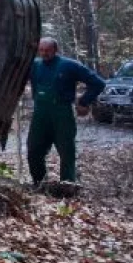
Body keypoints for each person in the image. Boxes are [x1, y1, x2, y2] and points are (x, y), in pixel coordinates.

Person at [27, 37, 105, 186]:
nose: (44, 54)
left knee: (66, 152)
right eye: (41, 50)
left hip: (62, 114)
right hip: (39, 114)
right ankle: (40, 184)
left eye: (47, 50)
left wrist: (84, 101)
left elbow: (98, 83)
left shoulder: (69, 65)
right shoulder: (34, 66)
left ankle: (68, 186)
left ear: (55, 50)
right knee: (33, 150)